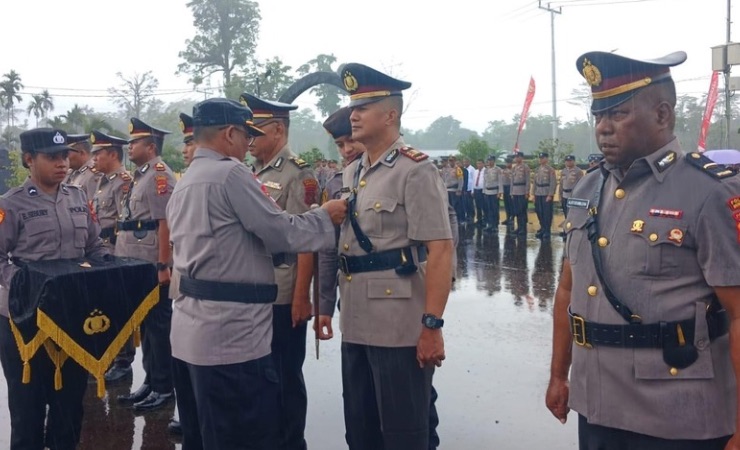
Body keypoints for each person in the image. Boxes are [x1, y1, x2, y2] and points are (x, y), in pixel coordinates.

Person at [546, 50, 740, 449]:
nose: (603, 128)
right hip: (597, 404)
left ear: (663, 115)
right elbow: (568, 290)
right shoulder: (587, 188)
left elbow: (738, 313)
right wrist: (558, 374)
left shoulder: (708, 193)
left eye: (618, 114)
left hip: (677, 415)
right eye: (598, 116)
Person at [166, 97, 345, 450]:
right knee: (242, 435)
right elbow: (281, 232)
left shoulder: (186, 180)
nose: (248, 143)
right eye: (245, 134)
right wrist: (325, 216)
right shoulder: (231, 174)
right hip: (231, 337)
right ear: (229, 133)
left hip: (191, 333)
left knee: (202, 436)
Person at [338, 62, 453, 450]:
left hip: (398, 326)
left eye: (363, 107)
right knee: (361, 430)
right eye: (353, 106)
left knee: (404, 433)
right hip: (355, 320)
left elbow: (439, 249)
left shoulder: (415, 170)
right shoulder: (354, 172)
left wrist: (431, 325)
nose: (353, 115)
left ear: (390, 115)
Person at [0, 128, 108, 450]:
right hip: (23, 321)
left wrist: (110, 269)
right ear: (29, 160)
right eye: (52, 157)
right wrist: (20, 281)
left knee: (69, 406)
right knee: (27, 410)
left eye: (64, 156)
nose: (62, 163)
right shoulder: (10, 204)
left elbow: (94, 245)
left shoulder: (77, 197)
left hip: (71, 318)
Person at [241, 91, 318, 450]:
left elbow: (307, 239)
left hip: (285, 289)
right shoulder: (248, 172)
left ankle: (291, 441)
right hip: (255, 288)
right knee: (259, 372)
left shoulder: (297, 174)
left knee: (285, 373)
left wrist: (301, 296)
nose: (250, 139)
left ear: (278, 131)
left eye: (256, 132)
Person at [115, 118, 175, 412]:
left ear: (150, 147)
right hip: (137, 262)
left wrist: (164, 264)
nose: (129, 147)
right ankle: (151, 382)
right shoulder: (141, 175)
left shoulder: (159, 176)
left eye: (134, 142)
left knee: (159, 326)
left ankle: (164, 386)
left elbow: (165, 223)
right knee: (148, 326)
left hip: (153, 263)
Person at [88, 130, 137, 383]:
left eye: (98, 153)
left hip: (116, 250)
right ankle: (108, 356)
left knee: (120, 306)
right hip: (102, 251)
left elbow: (124, 220)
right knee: (104, 306)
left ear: (113, 154)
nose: (93, 157)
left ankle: (123, 361)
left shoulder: (123, 182)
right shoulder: (103, 181)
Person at [65, 133, 101, 198]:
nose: (65, 158)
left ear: (82, 153)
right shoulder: (69, 173)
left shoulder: (93, 175)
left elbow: (92, 205)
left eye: (67, 154)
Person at [531, 152, 556, 241]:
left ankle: (547, 230)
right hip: (538, 193)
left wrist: (550, 194)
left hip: (546, 193)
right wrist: (533, 194)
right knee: (539, 212)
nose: (541, 160)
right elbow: (534, 183)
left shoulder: (550, 170)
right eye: (540, 158)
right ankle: (542, 228)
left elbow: (553, 183)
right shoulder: (537, 169)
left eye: (542, 158)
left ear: (546, 159)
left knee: (546, 213)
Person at [557, 154, 583, 238]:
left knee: (572, 214)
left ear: (574, 161)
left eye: (570, 161)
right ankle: (565, 230)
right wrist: (560, 195)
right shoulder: (563, 171)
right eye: (567, 161)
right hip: (565, 195)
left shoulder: (578, 171)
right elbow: (561, 185)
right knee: (566, 214)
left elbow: (581, 184)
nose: (568, 162)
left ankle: (571, 231)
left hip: (573, 195)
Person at [509, 152, 530, 236]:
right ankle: (519, 227)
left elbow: (528, 180)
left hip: (522, 191)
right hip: (515, 191)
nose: (517, 159)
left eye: (518, 157)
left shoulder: (525, 167)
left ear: (522, 158)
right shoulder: (514, 168)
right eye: (516, 157)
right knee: (517, 211)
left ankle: (523, 228)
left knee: (522, 211)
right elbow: (512, 181)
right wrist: (511, 192)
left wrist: (527, 192)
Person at [482, 155, 503, 232]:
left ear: (494, 161)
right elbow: (485, 181)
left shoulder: (498, 169)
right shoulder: (486, 170)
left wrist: (500, 192)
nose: (489, 162)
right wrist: (484, 191)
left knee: (495, 209)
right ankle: (490, 224)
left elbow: (500, 181)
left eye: (491, 160)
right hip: (487, 191)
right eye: (488, 160)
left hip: (495, 191)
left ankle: (495, 225)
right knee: (488, 209)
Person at [501, 155, 514, 229]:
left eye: (508, 163)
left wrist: (508, 175)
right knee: (506, 203)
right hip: (504, 187)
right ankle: (508, 217)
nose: (507, 164)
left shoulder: (512, 170)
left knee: (511, 203)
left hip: (510, 187)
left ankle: (512, 218)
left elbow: (512, 179)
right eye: (506, 163)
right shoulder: (503, 170)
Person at [472, 159, 486, 226]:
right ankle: (479, 220)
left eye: (480, 163)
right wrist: (472, 190)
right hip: (476, 190)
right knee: (477, 206)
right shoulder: (475, 171)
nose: (479, 165)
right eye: (477, 163)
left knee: (484, 206)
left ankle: (485, 220)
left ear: (483, 164)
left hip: (482, 190)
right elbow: (473, 181)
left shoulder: (486, 171)